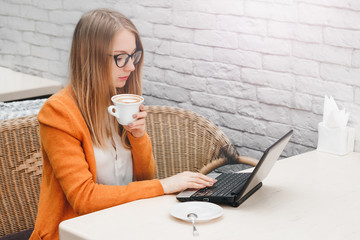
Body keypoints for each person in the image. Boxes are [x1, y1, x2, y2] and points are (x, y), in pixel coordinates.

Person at [30, 8, 216, 240]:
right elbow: (84, 198)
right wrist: (164, 185)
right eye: (120, 57)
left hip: (125, 223)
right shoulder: (58, 112)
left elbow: (144, 178)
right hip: (76, 231)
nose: (131, 67)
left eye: (133, 56)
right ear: (90, 58)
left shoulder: (120, 100)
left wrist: (138, 138)